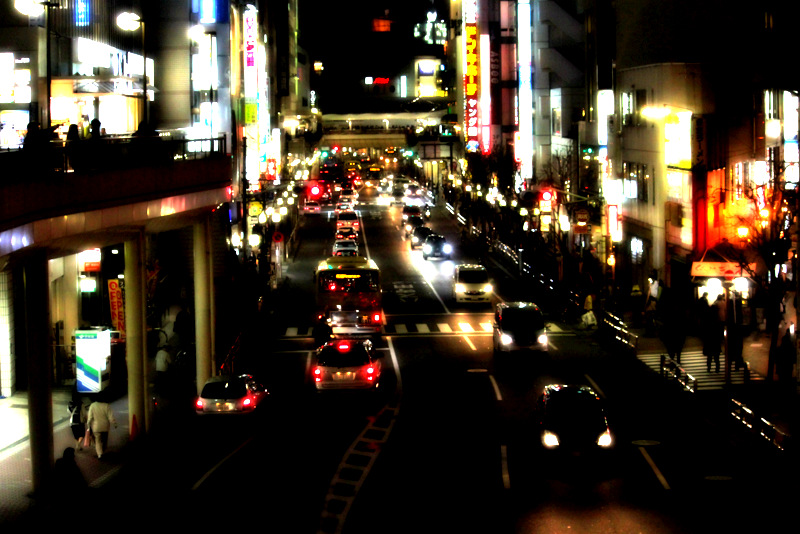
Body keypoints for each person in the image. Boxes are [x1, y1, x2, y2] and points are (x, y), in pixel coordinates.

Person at [85, 395, 117, 459]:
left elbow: (90, 417)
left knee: (98, 441)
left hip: (96, 427)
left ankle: (100, 454)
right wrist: (114, 424)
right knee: (104, 440)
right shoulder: (106, 405)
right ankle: (103, 450)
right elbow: (111, 417)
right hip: (105, 426)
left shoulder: (93, 405)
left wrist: (88, 425)